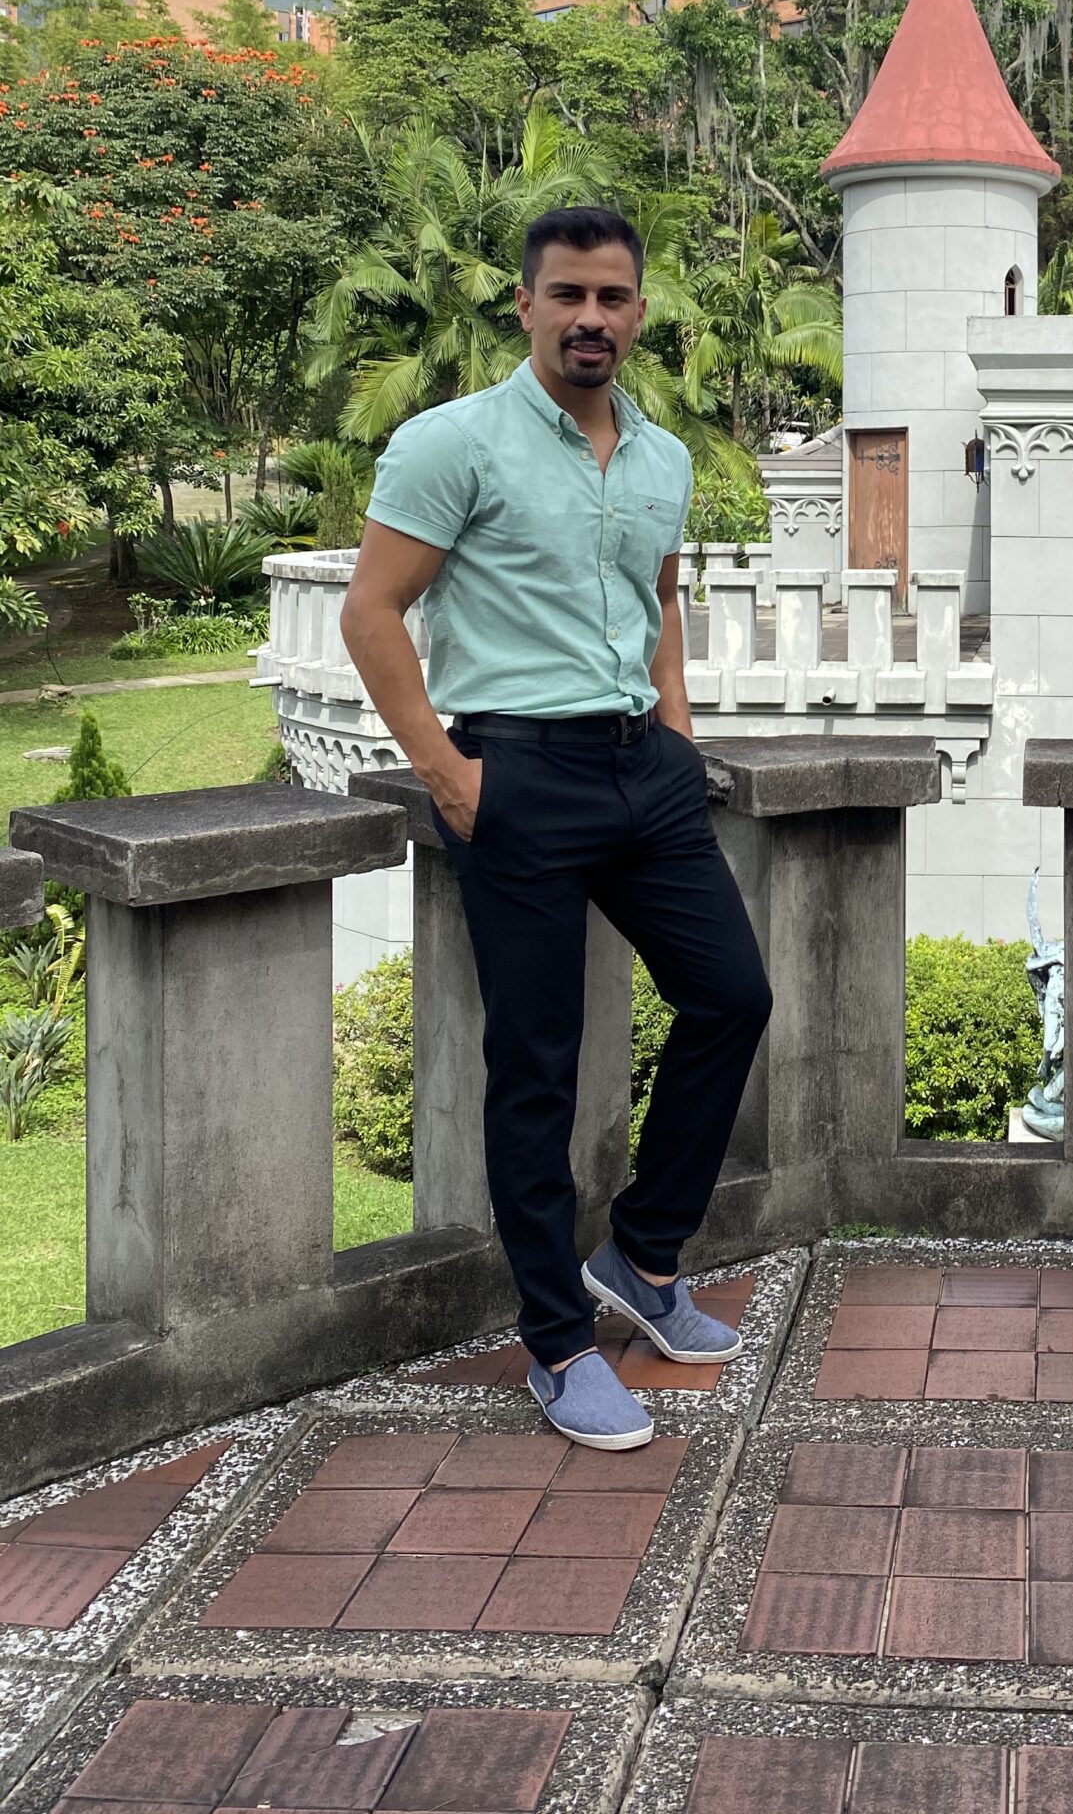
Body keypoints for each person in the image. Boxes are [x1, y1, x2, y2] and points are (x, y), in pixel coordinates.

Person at [339, 203, 772, 1450]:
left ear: (640, 311)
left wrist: (679, 727)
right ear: (525, 306)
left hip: (644, 772)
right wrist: (449, 774)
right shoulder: (451, 443)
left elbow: (659, 595)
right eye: (569, 295)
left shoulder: (661, 456)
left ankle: (640, 1256)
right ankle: (557, 1343)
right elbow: (376, 613)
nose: (592, 318)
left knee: (732, 996)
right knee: (535, 1063)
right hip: (516, 771)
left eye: (614, 298)